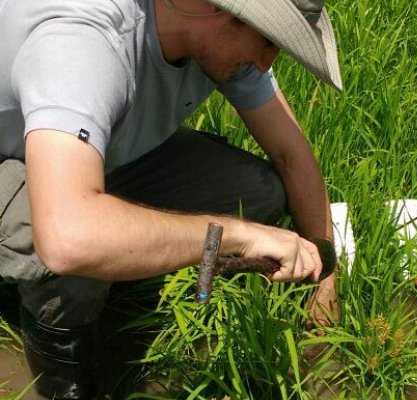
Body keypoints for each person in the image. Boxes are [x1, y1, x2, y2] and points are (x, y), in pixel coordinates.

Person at [0, 0, 343, 397]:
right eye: (267, 41)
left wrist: (326, 272)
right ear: (209, 7)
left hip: (88, 156)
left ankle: (124, 270)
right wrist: (233, 236)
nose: (266, 63)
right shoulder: (83, 42)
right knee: (82, 257)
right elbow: (67, 237)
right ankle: (66, 379)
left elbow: (290, 154)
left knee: (259, 195)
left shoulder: (217, 42)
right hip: (17, 163)